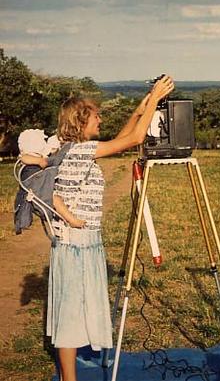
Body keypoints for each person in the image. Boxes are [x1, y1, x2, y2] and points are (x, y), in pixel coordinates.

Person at [21, 75, 174, 381]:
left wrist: (139, 109)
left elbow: (119, 138)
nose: (100, 118)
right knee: (70, 315)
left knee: (73, 312)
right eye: (95, 115)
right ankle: (69, 378)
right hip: (76, 244)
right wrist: (155, 98)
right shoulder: (79, 151)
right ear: (81, 122)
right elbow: (131, 141)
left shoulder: (74, 148)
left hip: (81, 243)